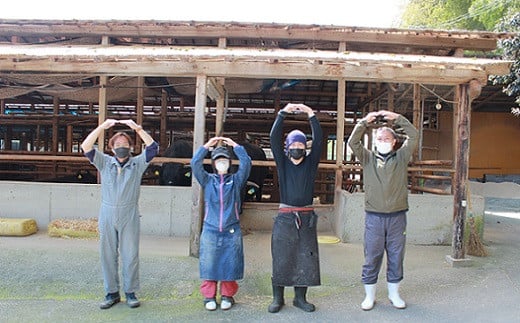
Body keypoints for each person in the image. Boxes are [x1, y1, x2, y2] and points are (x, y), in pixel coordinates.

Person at [81, 119, 158, 309]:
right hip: (107, 212)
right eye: (117, 144)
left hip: (129, 212)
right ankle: (111, 293)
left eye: (125, 144)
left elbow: (153, 148)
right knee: (107, 254)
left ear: (131, 147)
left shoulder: (137, 164)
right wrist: (101, 127)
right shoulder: (104, 162)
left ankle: (131, 292)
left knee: (130, 254)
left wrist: (137, 128)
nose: (121, 147)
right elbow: (86, 146)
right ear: (112, 148)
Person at [347, 110, 418, 311]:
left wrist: (397, 118)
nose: (382, 141)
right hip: (374, 217)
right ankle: (369, 296)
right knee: (372, 256)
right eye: (379, 138)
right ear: (374, 141)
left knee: (396, 256)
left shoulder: (402, 156)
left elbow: (413, 135)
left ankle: (394, 294)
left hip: (397, 216)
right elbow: (353, 143)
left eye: (386, 138)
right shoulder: (368, 158)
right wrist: (363, 123)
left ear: (394, 142)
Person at [268, 103, 323, 313]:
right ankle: (277, 298)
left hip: (307, 217)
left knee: (306, 258)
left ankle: (300, 298)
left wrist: (311, 114)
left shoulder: (310, 163)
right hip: (286, 217)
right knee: (282, 257)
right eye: (294, 145)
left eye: (301, 145)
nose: (298, 148)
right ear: (287, 147)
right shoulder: (282, 163)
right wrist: (283, 113)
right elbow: (274, 138)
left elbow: (318, 140)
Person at [191, 136, 252, 311]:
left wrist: (236, 146)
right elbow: (195, 163)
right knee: (209, 264)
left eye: (225, 160)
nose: (222, 163)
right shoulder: (207, 180)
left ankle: (227, 296)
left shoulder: (236, 181)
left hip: (231, 230)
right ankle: (209, 297)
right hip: (210, 229)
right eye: (218, 160)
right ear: (213, 163)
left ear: (230, 163)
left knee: (229, 265)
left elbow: (246, 164)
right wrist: (206, 146)